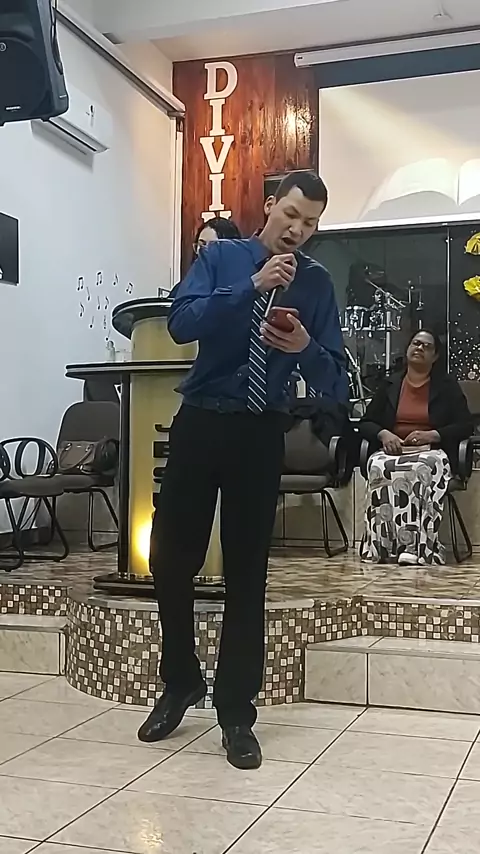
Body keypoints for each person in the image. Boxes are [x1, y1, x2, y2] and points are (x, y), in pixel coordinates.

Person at [138, 170, 348, 769]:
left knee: (248, 572)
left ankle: (235, 712)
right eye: (292, 215)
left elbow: (337, 379)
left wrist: (305, 348)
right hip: (202, 419)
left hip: (261, 431)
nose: (298, 230)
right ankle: (181, 681)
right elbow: (181, 323)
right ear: (270, 206)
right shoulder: (223, 257)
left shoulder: (317, 284)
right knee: (170, 559)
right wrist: (250, 287)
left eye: (310, 223)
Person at [359, 329, 472, 566]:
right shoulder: (390, 384)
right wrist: (384, 434)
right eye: (416, 343)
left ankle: (418, 547)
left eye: (426, 346)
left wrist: (433, 434)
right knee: (378, 466)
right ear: (408, 348)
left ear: (435, 356)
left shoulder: (447, 386)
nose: (419, 348)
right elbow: (366, 422)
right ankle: (380, 546)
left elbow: (465, 425)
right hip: (395, 450)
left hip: (433, 452)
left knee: (420, 469)